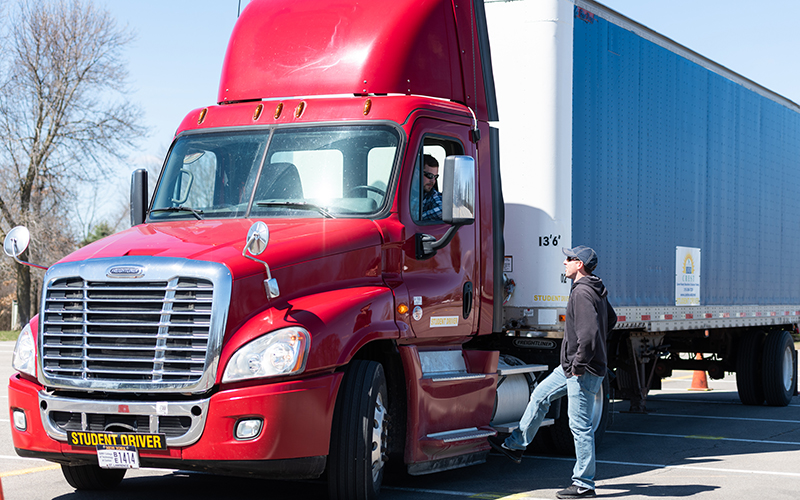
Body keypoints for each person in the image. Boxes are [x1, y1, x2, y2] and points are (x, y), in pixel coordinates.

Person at [489, 245, 616, 499]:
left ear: (580, 264)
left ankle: (584, 484)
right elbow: (610, 320)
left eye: (569, 259)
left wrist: (579, 365)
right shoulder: (595, 289)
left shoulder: (582, 292)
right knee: (539, 396)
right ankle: (516, 445)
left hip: (582, 370)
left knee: (580, 427)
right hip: (570, 367)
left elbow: (589, 335)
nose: (565, 262)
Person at [420, 154, 442, 221]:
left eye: (435, 177)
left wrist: (415, 219)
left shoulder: (432, 195)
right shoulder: (401, 192)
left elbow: (443, 210)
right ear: (416, 172)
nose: (433, 181)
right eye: (429, 175)